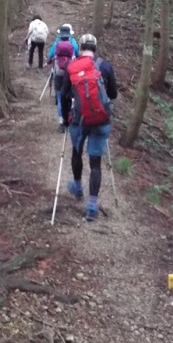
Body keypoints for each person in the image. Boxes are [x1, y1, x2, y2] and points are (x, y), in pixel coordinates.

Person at [61, 33, 118, 221]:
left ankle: (77, 188)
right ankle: (92, 206)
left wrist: (66, 116)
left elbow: (64, 95)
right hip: (101, 121)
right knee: (95, 163)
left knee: (76, 153)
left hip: (79, 120)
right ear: (95, 48)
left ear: (81, 47)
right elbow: (113, 94)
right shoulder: (105, 66)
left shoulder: (72, 67)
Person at [47, 24, 79, 130]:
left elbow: (50, 55)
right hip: (71, 75)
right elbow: (78, 56)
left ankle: (61, 123)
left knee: (60, 99)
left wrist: (49, 60)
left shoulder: (57, 44)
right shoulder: (73, 44)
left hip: (59, 75)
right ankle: (70, 118)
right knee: (71, 98)